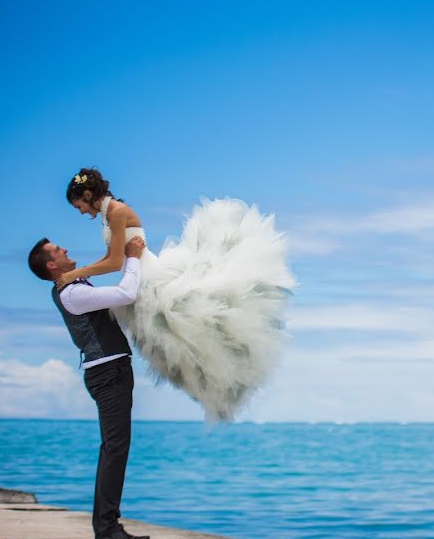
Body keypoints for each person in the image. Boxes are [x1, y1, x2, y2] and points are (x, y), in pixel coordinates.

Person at [59, 168, 294, 421]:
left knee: (189, 332)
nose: (81, 212)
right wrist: (84, 275)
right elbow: (110, 257)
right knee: (174, 341)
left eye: (78, 206)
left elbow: (116, 262)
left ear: (87, 194)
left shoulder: (116, 212)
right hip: (136, 275)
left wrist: (75, 275)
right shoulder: (109, 215)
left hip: (147, 277)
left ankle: (222, 382)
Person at [27, 235, 150, 539]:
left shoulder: (74, 286)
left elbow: (103, 266)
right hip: (108, 373)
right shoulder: (73, 294)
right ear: (52, 265)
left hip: (110, 371)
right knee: (115, 449)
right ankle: (108, 528)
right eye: (57, 250)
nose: (65, 248)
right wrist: (133, 257)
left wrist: (120, 246)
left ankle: (107, 528)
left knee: (113, 448)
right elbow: (125, 293)